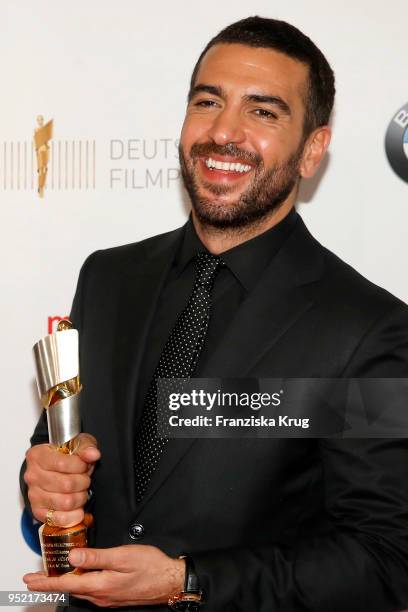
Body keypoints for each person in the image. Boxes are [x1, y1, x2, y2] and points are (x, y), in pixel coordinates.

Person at [21, 16, 408, 612]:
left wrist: (189, 580)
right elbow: (60, 456)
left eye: (263, 111)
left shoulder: (365, 330)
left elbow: (383, 559)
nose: (224, 131)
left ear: (311, 150)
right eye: (208, 101)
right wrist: (47, 483)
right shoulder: (108, 279)